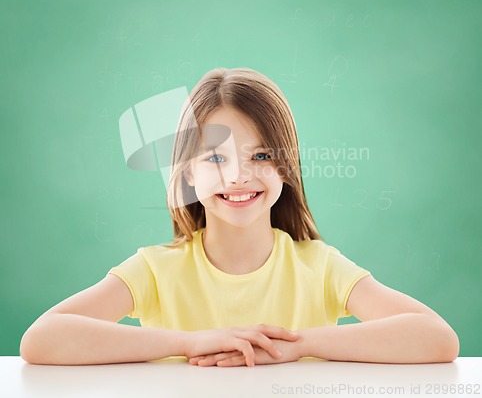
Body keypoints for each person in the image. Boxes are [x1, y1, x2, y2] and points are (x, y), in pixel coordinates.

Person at [20, 68, 459, 367]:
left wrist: (295, 346)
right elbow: (41, 340)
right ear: (188, 172)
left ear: (286, 167)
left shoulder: (319, 266)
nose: (238, 176)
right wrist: (191, 342)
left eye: (262, 155)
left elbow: (437, 339)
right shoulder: (155, 270)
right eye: (215, 157)